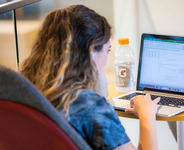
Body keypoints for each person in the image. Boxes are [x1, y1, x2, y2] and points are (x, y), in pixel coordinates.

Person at [20, 5, 160, 150]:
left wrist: (93, 71)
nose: (107, 59)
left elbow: (102, 93)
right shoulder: (88, 106)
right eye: (108, 50)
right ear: (91, 51)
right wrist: (147, 115)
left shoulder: (26, 88)